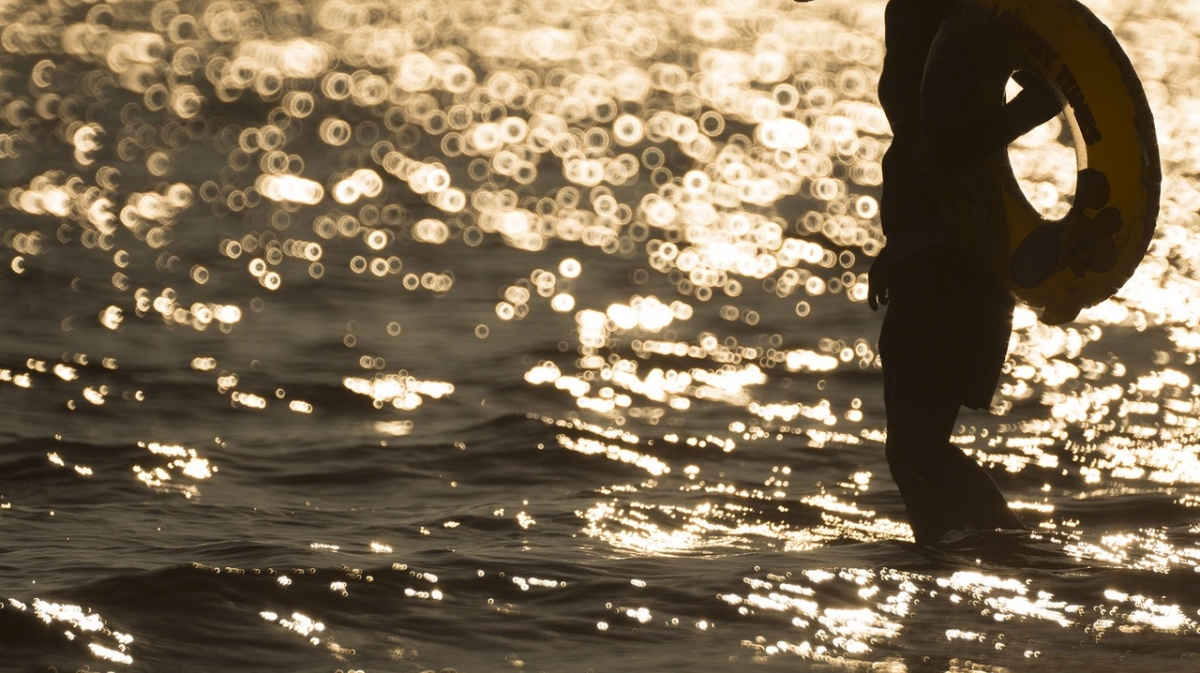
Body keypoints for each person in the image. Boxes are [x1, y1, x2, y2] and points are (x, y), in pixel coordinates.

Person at [798, 0, 1060, 545]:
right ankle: (938, 593)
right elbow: (921, 134)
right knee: (907, 456)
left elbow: (1038, 97)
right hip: (919, 260)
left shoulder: (960, 10)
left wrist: (965, 144)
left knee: (919, 450)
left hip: (960, 263)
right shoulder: (906, 10)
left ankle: (1027, 562)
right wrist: (898, 248)